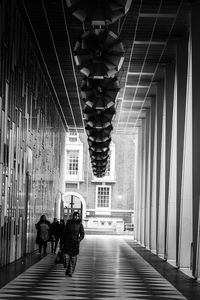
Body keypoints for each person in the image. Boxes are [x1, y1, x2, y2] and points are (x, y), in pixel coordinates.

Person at [62, 212, 84, 277]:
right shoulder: (68, 223)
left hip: (75, 243)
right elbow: (64, 233)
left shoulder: (80, 224)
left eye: (78, 216)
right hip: (67, 242)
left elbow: (82, 234)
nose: (76, 217)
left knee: (73, 258)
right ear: (73, 216)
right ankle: (68, 270)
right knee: (67, 258)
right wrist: (62, 242)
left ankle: (70, 272)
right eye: (75, 216)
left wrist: (79, 239)